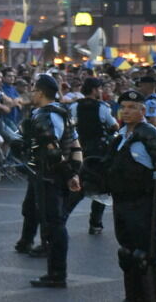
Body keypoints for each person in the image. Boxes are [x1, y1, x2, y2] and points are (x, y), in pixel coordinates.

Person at [106, 90, 156, 301]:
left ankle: (153, 295)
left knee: (145, 256)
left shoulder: (150, 134)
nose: (126, 111)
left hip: (144, 202)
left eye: (132, 107)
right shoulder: (121, 134)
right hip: (122, 202)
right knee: (127, 254)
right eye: (123, 107)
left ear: (143, 110)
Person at [20, 74, 83, 289]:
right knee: (54, 223)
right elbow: (75, 145)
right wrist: (74, 170)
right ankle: (55, 271)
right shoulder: (63, 113)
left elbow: (53, 150)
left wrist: (69, 175)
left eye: (33, 90)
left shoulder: (44, 116)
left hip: (50, 175)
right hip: (54, 175)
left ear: (39, 92)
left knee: (54, 225)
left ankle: (57, 274)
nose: (31, 94)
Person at [67, 77, 118, 234]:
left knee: (76, 186)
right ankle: (95, 223)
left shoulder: (75, 106)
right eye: (100, 88)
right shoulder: (103, 108)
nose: (101, 91)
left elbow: (70, 126)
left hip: (79, 152)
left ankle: (62, 217)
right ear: (95, 90)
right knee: (101, 188)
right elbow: (114, 126)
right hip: (98, 153)